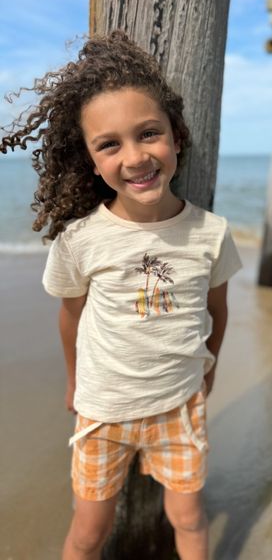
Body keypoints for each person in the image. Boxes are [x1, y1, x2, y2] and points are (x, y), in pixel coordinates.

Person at [1, 30, 241, 560]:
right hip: (103, 410)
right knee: (88, 533)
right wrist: (72, 381)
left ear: (176, 137)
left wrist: (211, 367)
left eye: (148, 134)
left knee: (190, 518)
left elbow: (216, 310)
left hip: (180, 405)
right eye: (109, 144)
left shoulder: (210, 233)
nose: (135, 157)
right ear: (91, 161)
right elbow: (71, 317)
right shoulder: (81, 240)